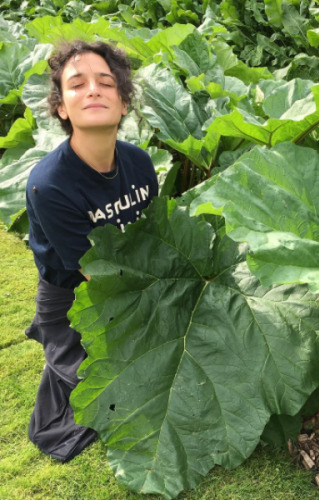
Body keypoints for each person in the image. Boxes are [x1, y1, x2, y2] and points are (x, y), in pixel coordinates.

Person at [25, 40, 159, 462]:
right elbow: (94, 275)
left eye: (106, 82)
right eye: (77, 84)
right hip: (74, 301)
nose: (94, 91)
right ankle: (58, 348)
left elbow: (153, 237)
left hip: (136, 284)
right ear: (62, 108)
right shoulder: (49, 184)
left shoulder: (139, 163)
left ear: (123, 102)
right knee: (110, 400)